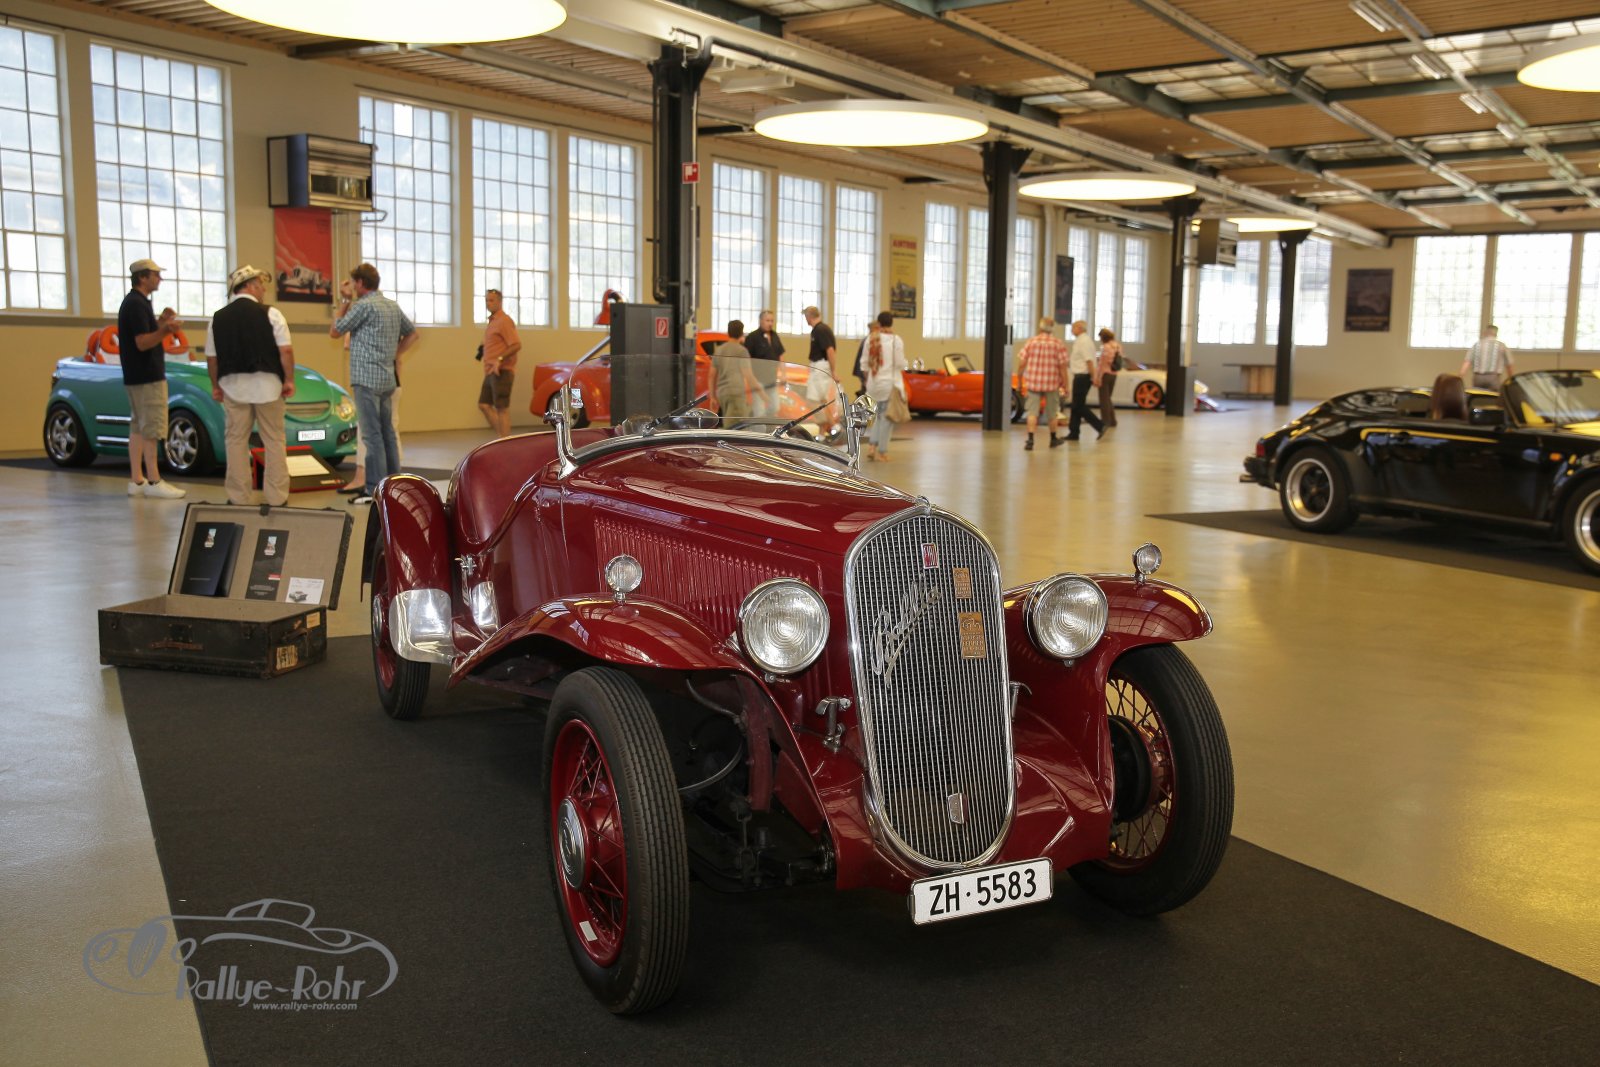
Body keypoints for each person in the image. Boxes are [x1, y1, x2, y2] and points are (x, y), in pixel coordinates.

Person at [206, 265, 295, 507]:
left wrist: (216, 386)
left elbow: (212, 359)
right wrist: (289, 380)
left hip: (233, 386)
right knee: (274, 440)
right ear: (250, 286)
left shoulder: (217, 318)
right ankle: (277, 497)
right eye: (261, 285)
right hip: (269, 386)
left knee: (236, 440)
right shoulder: (272, 314)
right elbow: (285, 351)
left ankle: (238, 497)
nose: (263, 290)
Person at [329, 263, 417, 505]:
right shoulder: (391, 305)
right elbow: (412, 333)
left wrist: (344, 301)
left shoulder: (363, 306)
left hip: (366, 380)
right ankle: (394, 484)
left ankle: (373, 488)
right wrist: (395, 354)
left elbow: (335, 331)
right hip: (387, 378)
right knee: (388, 433)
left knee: (371, 436)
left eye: (353, 283)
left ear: (360, 283)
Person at [116, 258, 187, 498]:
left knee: (138, 427)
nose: (160, 279)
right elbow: (143, 342)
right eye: (156, 275)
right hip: (148, 376)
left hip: (135, 375)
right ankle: (154, 480)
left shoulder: (134, 303)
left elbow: (145, 333)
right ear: (143, 277)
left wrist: (161, 322)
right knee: (152, 428)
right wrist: (166, 330)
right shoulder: (137, 304)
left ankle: (137, 480)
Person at [1015, 317, 1071, 451]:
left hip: (1033, 383)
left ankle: (1030, 440)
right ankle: (1053, 439)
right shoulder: (1058, 343)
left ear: (1040, 327)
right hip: (1052, 384)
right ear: (1052, 329)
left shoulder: (1031, 342)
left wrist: (1019, 381)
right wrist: (1066, 384)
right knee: (1052, 413)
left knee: (1032, 413)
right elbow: (1063, 367)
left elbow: (1022, 364)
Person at [860, 311, 908, 462]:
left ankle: (871, 446)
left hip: (873, 384)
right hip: (889, 384)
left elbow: (864, 364)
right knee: (887, 418)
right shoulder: (896, 340)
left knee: (877, 417)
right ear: (891, 323)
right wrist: (906, 363)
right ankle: (882, 452)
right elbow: (900, 363)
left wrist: (868, 380)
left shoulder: (870, 339)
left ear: (879, 323)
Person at [478, 289, 521, 438]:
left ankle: (505, 440)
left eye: (491, 300)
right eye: (486, 300)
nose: (488, 303)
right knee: (484, 405)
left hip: (502, 370)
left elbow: (516, 345)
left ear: (500, 302)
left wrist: (500, 359)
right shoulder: (493, 322)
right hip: (490, 371)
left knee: (502, 408)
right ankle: (503, 437)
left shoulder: (504, 321)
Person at [802, 305, 842, 436]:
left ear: (809, 316)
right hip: (817, 366)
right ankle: (821, 433)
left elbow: (830, 351)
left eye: (805, 317)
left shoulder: (821, 330)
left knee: (813, 400)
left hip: (820, 367)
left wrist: (833, 371)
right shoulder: (817, 330)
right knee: (820, 400)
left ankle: (833, 425)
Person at [709, 320, 760, 419]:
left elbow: (711, 376)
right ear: (741, 333)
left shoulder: (719, 350)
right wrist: (762, 395)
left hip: (722, 393)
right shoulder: (742, 351)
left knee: (728, 420)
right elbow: (748, 375)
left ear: (728, 332)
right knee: (735, 424)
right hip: (736, 393)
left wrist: (712, 397)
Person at [1066, 319, 1105, 441]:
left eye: (1073, 327)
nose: (1072, 330)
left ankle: (1100, 426)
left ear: (1080, 328)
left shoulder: (1084, 341)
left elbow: (1089, 361)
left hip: (1083, 376)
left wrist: (1094, 377)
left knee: (1078, 406)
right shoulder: (1080, 340)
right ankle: (1074, 432)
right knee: (1076, 405)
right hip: (1079, 376)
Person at [744, 309, 784, 417]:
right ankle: (758, 426)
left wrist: (783, 374)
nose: (770, 323)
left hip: (771, 379)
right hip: (757, 380)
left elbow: (780, 355)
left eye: (772, 321)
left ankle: (764, 423)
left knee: (775, 407)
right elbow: (746, 360)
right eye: (767, 320)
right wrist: (750, 379)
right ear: (761, 321)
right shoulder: (752, 337)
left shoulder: (774, 336)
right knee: (759, 410)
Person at [1460, 325, 1514, 390]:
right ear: (1496, 333)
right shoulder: (1502, 346)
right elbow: (1509, 365)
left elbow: (1467, 362)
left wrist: (1460, 376)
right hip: (1493, 378)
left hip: (1478, 377)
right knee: (1493, 395)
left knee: (1477, 394)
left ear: (1485, 332)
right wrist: (1511, 379)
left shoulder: (1477, 344)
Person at [1096, 327, 1122, 431]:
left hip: (1105, 374)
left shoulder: (1105, 347)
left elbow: (1102, 364)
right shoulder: (1117, 346)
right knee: (1108, 398)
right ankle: (1112, 420)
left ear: (1103, 337)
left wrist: (1098, 377)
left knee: (1103, 399)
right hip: (1114, 374)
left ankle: (1105, 421)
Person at [851, 318, 881, 399]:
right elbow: (863, 360)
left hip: (862, 372)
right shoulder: (869, 340)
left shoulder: (868, 339)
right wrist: (865, 377)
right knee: (866, 394)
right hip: (864, 372)